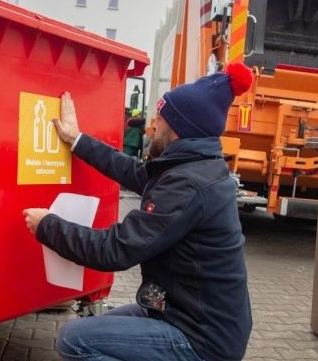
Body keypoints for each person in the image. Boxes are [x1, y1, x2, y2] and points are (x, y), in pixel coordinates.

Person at [22, 63, 254, 361]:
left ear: (179, 128)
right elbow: (134, 172)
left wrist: (47, 227)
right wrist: (77, 140)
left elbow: (115, 250)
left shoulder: (188, 184)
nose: (153, 123)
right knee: (95, 328)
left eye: (161, 117)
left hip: (201, 341)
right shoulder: (193, 167)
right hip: (185, 313)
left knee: (75, 339)